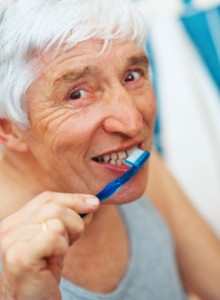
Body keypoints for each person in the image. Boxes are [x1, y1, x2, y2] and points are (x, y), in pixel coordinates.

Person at [0, 1, 219, 299]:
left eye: (132, 76)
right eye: (77, 94)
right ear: (8, 128)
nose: (132, 123)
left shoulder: (130, 164)